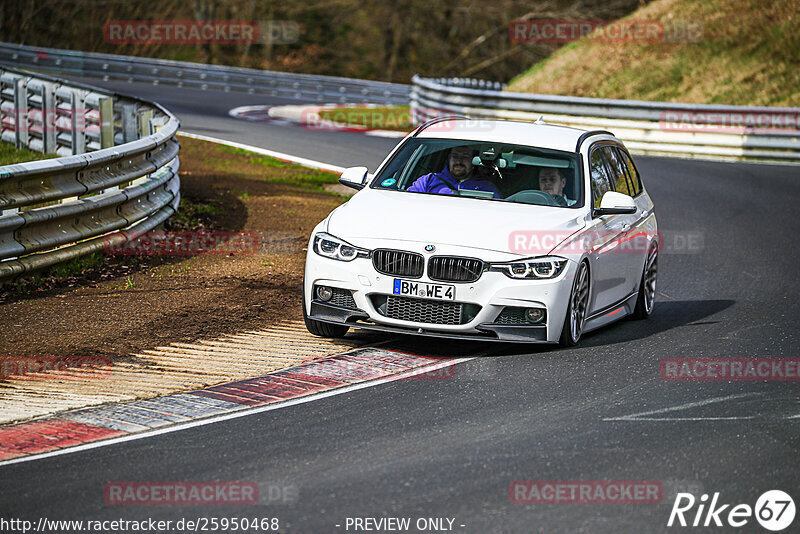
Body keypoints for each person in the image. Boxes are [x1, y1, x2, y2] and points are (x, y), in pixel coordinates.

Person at [407, 146, 501, 198]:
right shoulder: (428, 180)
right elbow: (407, 202)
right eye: (455, 156)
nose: (459, 161)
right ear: (449, 159)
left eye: (465, 157)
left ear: (473, 161)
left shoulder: (488, 188)